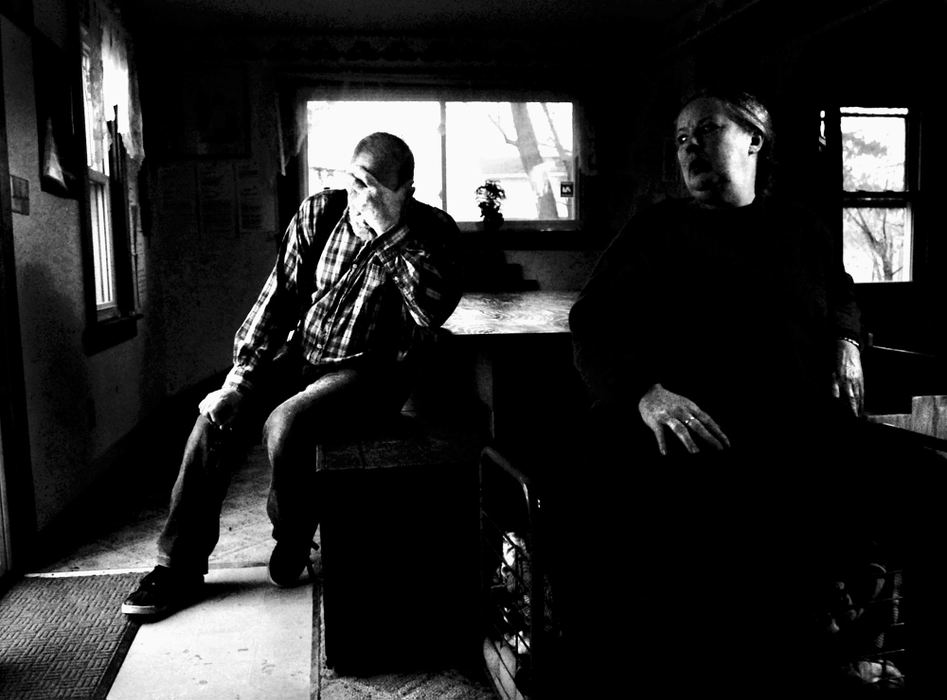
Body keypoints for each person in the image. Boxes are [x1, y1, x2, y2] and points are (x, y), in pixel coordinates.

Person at [557, 87, 940, 695]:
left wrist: (845, 339)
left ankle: (835, 650)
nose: (690, 150)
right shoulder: (657, 230)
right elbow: (593, 323)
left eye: (705, 131)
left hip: (796, 426)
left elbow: (839, 290)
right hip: (702, 429)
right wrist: (645, 393)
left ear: (754, 138)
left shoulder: (797, 226)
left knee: (901, 491)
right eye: (681, 139)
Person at [122, 132, 462, 618]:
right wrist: (239, 381)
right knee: (214, 419)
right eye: (354, 181)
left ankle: (293, 532)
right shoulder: (321, 213)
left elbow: (431, 311)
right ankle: (176, 566)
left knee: (286, 424)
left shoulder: (434, 233)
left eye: (373, 188)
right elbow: (276, 300)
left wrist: (388, 232)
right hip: (302, 355)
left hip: (369, 372)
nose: (359, 198)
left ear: (405, 190)